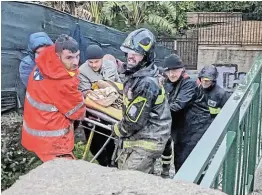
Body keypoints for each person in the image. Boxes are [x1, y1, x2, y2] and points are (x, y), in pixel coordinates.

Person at [112, 28, 172, 174]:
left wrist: (116, 129)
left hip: (148, 139)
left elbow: (134, 121)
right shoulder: (140, 74)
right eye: (129, 53)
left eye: (136, 54)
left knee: (128, 179)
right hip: (142, 135)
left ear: (146, 57)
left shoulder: (146, 83)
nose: (130, 57)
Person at [21, 34, 86, 162]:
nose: (75, 62)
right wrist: (82, 99)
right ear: (58, 56)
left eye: (77, 56)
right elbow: (77, 113)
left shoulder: (43, 64)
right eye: (69, 57)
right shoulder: (61, 82)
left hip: (36, 131)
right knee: (65, 175)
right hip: (53, 142)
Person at [161, 54, 212, 174]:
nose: (171, 74)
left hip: (195, 129)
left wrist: (155, 114)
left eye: (174, 71)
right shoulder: (169, 83)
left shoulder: (189, 83)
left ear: (182, 69)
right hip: (181, 130)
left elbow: (177, 106)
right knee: (179, 162)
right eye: (168, 71)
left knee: (188, 163)